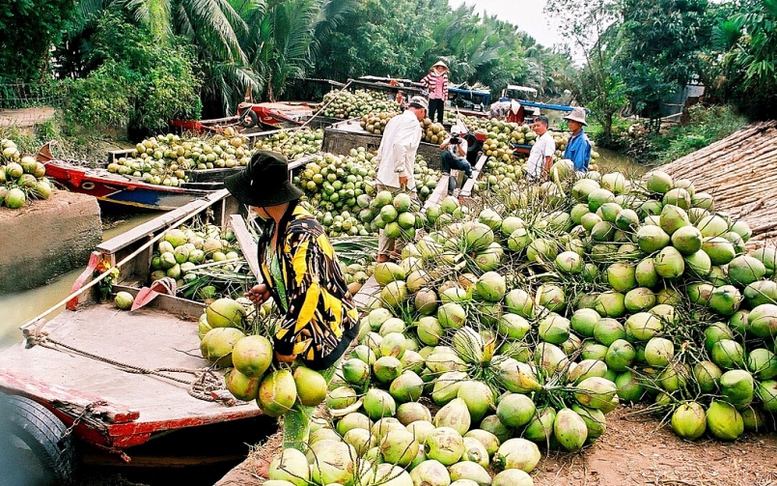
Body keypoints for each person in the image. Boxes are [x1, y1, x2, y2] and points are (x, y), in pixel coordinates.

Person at [224, 150, 359, 371]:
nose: (250, 205)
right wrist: (272, 286)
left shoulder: (301, 233)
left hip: (325, 331)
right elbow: (292, 271)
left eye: (251, 200)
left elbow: (307, 293)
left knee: (297, 401)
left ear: (263, 198)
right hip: (301, 327)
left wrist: (283, 342)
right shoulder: (274, 224)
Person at [374, 96, 428, 263]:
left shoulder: (394, 120)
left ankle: (383, 255)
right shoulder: (413, 123)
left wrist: (378, 168)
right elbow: (399, 145)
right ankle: (398, 254)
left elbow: (383, 147)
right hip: (398, 179)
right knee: (407, 218)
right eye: (424, 114)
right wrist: (401, 171)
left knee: (388, 218)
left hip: (384, 177)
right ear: (421, 110)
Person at [439, 124, 473, 196]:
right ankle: (446, 171)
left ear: (460, 134)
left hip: (460, 161)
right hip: (452, 160)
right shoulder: (449, 140)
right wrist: (447, 143)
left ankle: (469, 175)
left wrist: (458, 145)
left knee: (466, 165)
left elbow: (463, 154)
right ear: (451, 134)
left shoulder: (464, 142)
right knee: (445, 154)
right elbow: (441, 147)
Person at [526, 115, 555, 182]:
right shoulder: (538, 139)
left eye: (538, 126)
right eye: (534, 126)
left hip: (538, 176)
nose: (535, 128)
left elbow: (549, 159)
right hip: (531, 175)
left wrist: (544, 176)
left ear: (545, 126)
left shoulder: (548, 140)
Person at [563, 107, 592, 172]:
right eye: (569, 121)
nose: (569, 124)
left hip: (575, 175)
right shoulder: (571, 137)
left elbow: (578, 165)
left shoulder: (582, 140)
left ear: (579, 124)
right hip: (567, 172)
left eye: (572, 122)